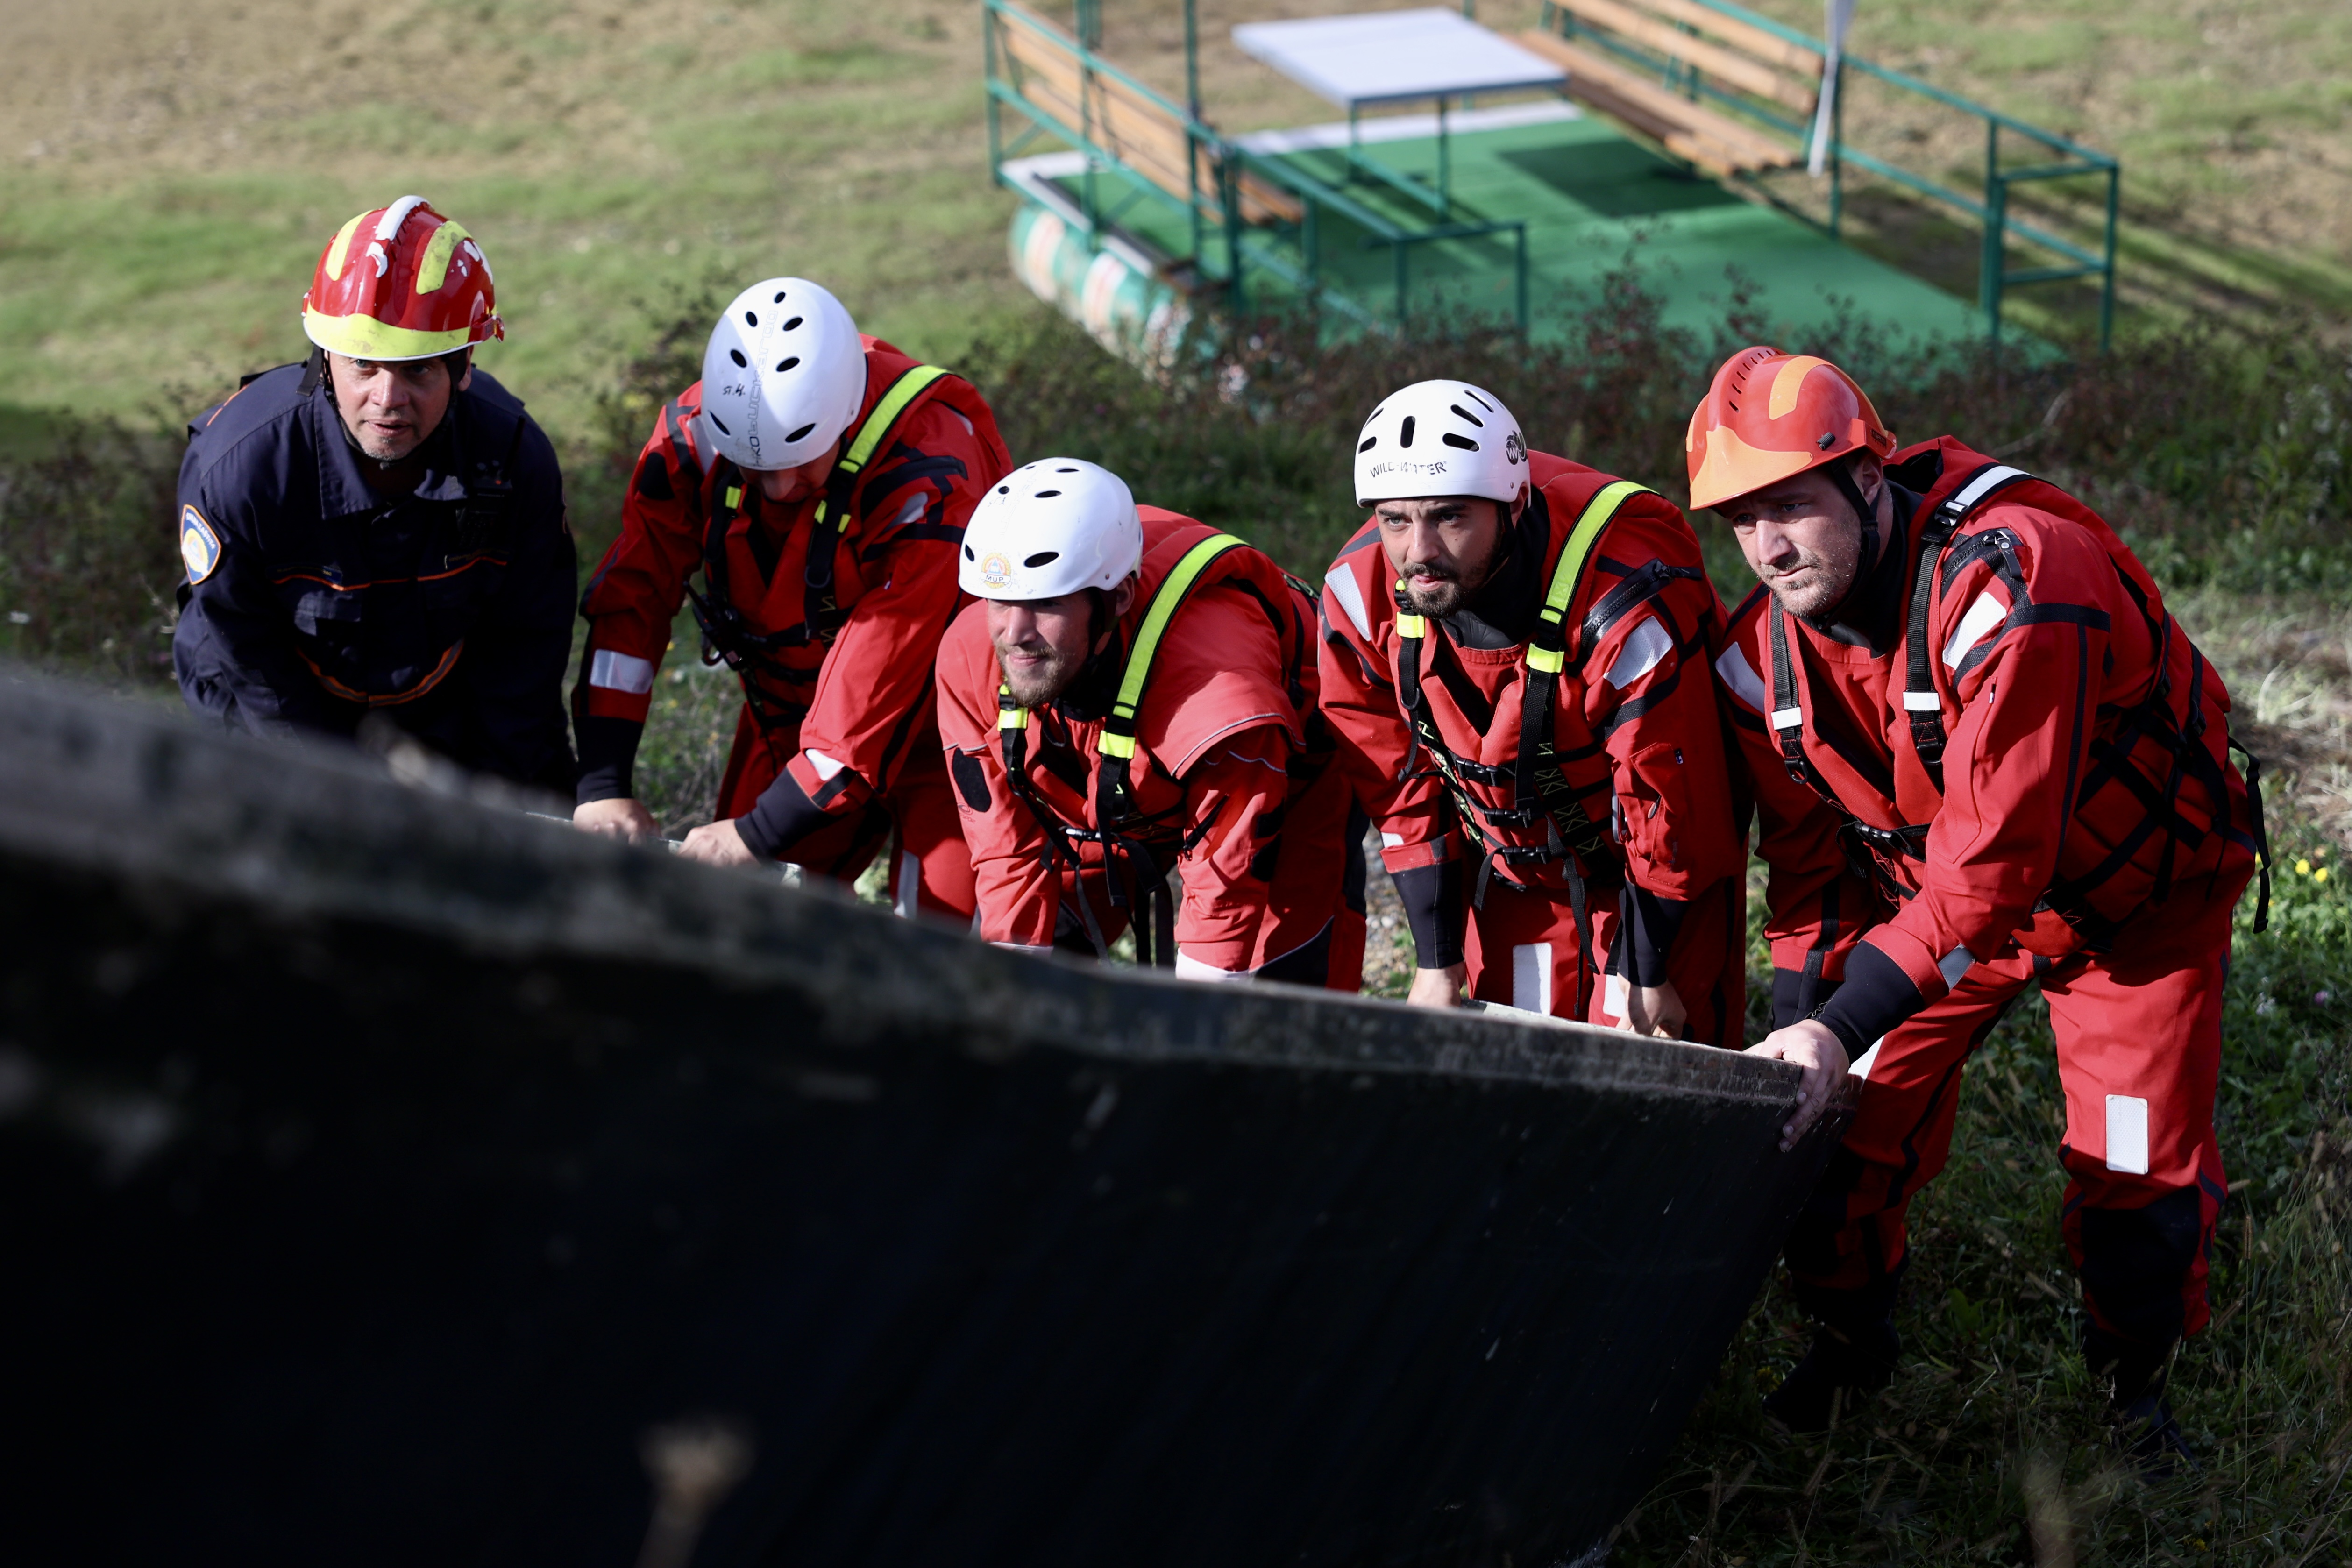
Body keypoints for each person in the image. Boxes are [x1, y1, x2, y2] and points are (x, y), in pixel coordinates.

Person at [1693, 346, 2266, 1464]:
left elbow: (1996, 858)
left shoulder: (2019, 579)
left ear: (1868, 476)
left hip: (2131, 911)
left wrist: (1837, 1019)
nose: (1768, 545)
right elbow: (1813, 866)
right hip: (1946, 920)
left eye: (1792, 505)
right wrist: (1805, 1005)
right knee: (1832, 1134)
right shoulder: (1756, 657)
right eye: (1742, 518)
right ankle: (1850, 1350)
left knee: (2133, 1171)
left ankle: (2135, 1399)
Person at [572, 278, 1012, 919]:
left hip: (944, 736)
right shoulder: (696, 442)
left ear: (844, 415)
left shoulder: (929, 470)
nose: (778, 488)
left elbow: (883, 672)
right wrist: (602, 782)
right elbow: (632, 604)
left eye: (800, 460)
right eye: (755, 469)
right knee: (733, 915)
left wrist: (757, 833)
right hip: (795, 722)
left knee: (935, 939)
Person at [1316, 380, 1746, 1035]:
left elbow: (1674, 806)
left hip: (1650, 887)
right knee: (1511, 1082)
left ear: (1514, 501)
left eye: (1449, 516)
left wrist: (1645, 969)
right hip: (1513, 874)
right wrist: (1435, 962)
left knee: (1643, 1091)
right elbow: (1396, 788)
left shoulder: (1622, 609)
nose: (1417, 552)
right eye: (1394, 520)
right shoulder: (1360, 598)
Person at [173, 196, 576, 791]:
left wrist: (496, 810)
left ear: (464, 367)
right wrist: (323, 791)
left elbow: (524, 656)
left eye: (418, 370)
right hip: (269, 708)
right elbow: (249, 659)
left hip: (443, 703)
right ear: (324, 359)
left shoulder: (514, 460)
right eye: (364, 366)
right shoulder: (241, 469)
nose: (388, 399)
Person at [935, 459, 1365, 986]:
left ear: (1116, 598)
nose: (1014, 633)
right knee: (1022, 972)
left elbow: (1225, 887)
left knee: (1278, 1006)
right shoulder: (969, 652)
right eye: (1001, 601)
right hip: (1117, 753)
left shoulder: (1216, 689)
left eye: (1045, 603)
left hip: (1281, 775)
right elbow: (1004, 850)